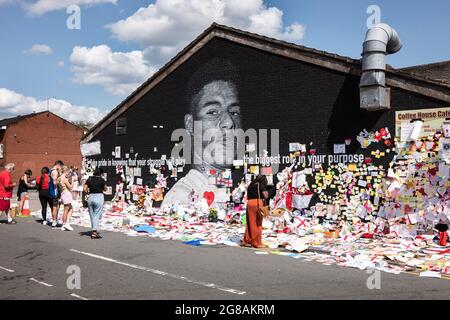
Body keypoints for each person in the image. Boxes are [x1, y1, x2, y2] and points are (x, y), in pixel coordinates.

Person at [162, 58, 242, 206]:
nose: (229, 123)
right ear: (190, 124)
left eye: (235, 112)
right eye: (213, 112)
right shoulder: (179, 198)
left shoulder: (233, 190)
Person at [242, 175, 270, 249]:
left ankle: (247, 241)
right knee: (257, 223)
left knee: (250, 223)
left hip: (249, 203)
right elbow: (265, 195)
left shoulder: (251, 185)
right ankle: (257, 242)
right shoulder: (260, 185)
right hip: (257, 203)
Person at [84, 168, 107, 239]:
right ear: (101, 173)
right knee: (97, 214)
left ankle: (94, 230)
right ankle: (94, 232)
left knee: (92, 215)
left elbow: (84, 189)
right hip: (99, 197)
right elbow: (105, 189)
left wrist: (88, 193)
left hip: (91, 197)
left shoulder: (89, 179)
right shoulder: (102, 180)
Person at [58, 166, 74, 231]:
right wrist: (72, 181)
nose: (68, 173)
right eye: (68, 172)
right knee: (69, 209)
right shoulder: (64, 179)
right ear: (65, 171)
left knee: (66, 209)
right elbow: (70, 187)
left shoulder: (59, 178)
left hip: (62, 193)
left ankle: (64, 224)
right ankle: (66, 223)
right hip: (67, 193)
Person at [49, 160, 64, 228]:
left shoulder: (51, 170)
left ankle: (55, 220)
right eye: (61, 167)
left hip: (54, 191)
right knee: (55, 207)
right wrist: (60, 179)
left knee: (56, 207)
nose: (61, 168)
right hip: (55, 192)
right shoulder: (55, 171)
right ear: (58, 165)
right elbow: (55, 182)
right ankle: (54, 221)